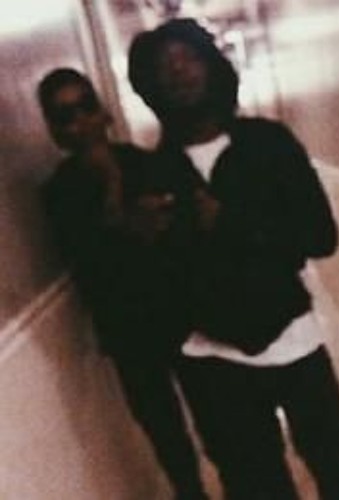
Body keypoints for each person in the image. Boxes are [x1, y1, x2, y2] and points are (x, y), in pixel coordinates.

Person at [128, 18, 339, 499]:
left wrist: (233, 222)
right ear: (149, 85)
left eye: (188, 58)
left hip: (292, 338)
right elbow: (149, 290)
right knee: (254, 486)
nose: (178, 71)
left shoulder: (269, 144)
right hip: (211, 357)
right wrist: (142, 239)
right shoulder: (150, 173)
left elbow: (321, 237)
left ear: (212, 66)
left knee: (335, 471)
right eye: (164, 66)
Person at [38, 68, 208, 500]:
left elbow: (181, 234)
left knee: (215, 417)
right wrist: (113, 188)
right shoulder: (59, 194)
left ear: (104, 111)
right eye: (66, 115)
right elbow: (90, 263)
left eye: (86, 106)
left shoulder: (145, 163)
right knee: (166, 435)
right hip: (129, 334)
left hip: (182, 314)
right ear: (55, 132)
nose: (81, 121)